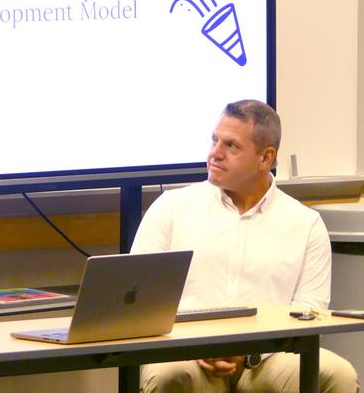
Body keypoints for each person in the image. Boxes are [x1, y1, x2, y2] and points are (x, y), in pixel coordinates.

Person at [131, 100, 359, 393]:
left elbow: (309, 314)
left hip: (267, 358)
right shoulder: (172, 208)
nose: (215, 153)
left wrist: (251, 353)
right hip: (185, 353)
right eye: (214, 140)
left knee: (338, 374)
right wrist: (195, 346)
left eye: (231, 146)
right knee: (170, 374)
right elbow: (139, 301)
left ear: (265, 158)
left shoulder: (305, 224)